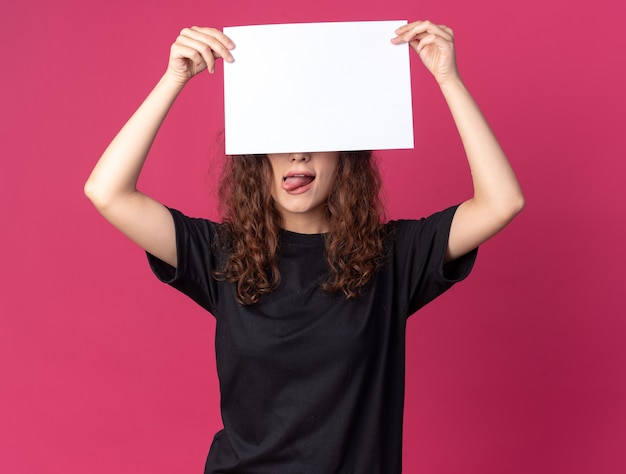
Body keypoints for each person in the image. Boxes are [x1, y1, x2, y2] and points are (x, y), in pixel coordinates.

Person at [85, 20, 524, 474]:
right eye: (279, 137)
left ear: (346, 154)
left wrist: (447, 78)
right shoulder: (222, 254)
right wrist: (173, 79)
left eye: (316, 136)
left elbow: (501, 202)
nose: (298, 154)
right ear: (256, 159)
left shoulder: (392, 257)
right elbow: (108, 191)